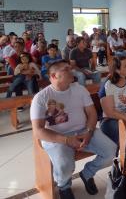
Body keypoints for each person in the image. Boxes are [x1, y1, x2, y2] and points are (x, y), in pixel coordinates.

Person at [30, 60, 117, 199]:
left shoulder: (79, 89)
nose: (71, 71)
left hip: (83, 130)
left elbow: (92, 114)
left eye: (70, 68)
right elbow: (38, 131)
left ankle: (87, 173)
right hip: (56, 136)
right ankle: (64, 186)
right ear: (53, 76)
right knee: (66, 165)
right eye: (66, 69)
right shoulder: (41, 98)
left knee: (111, 150)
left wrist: (88, 132)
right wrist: (66, 140)